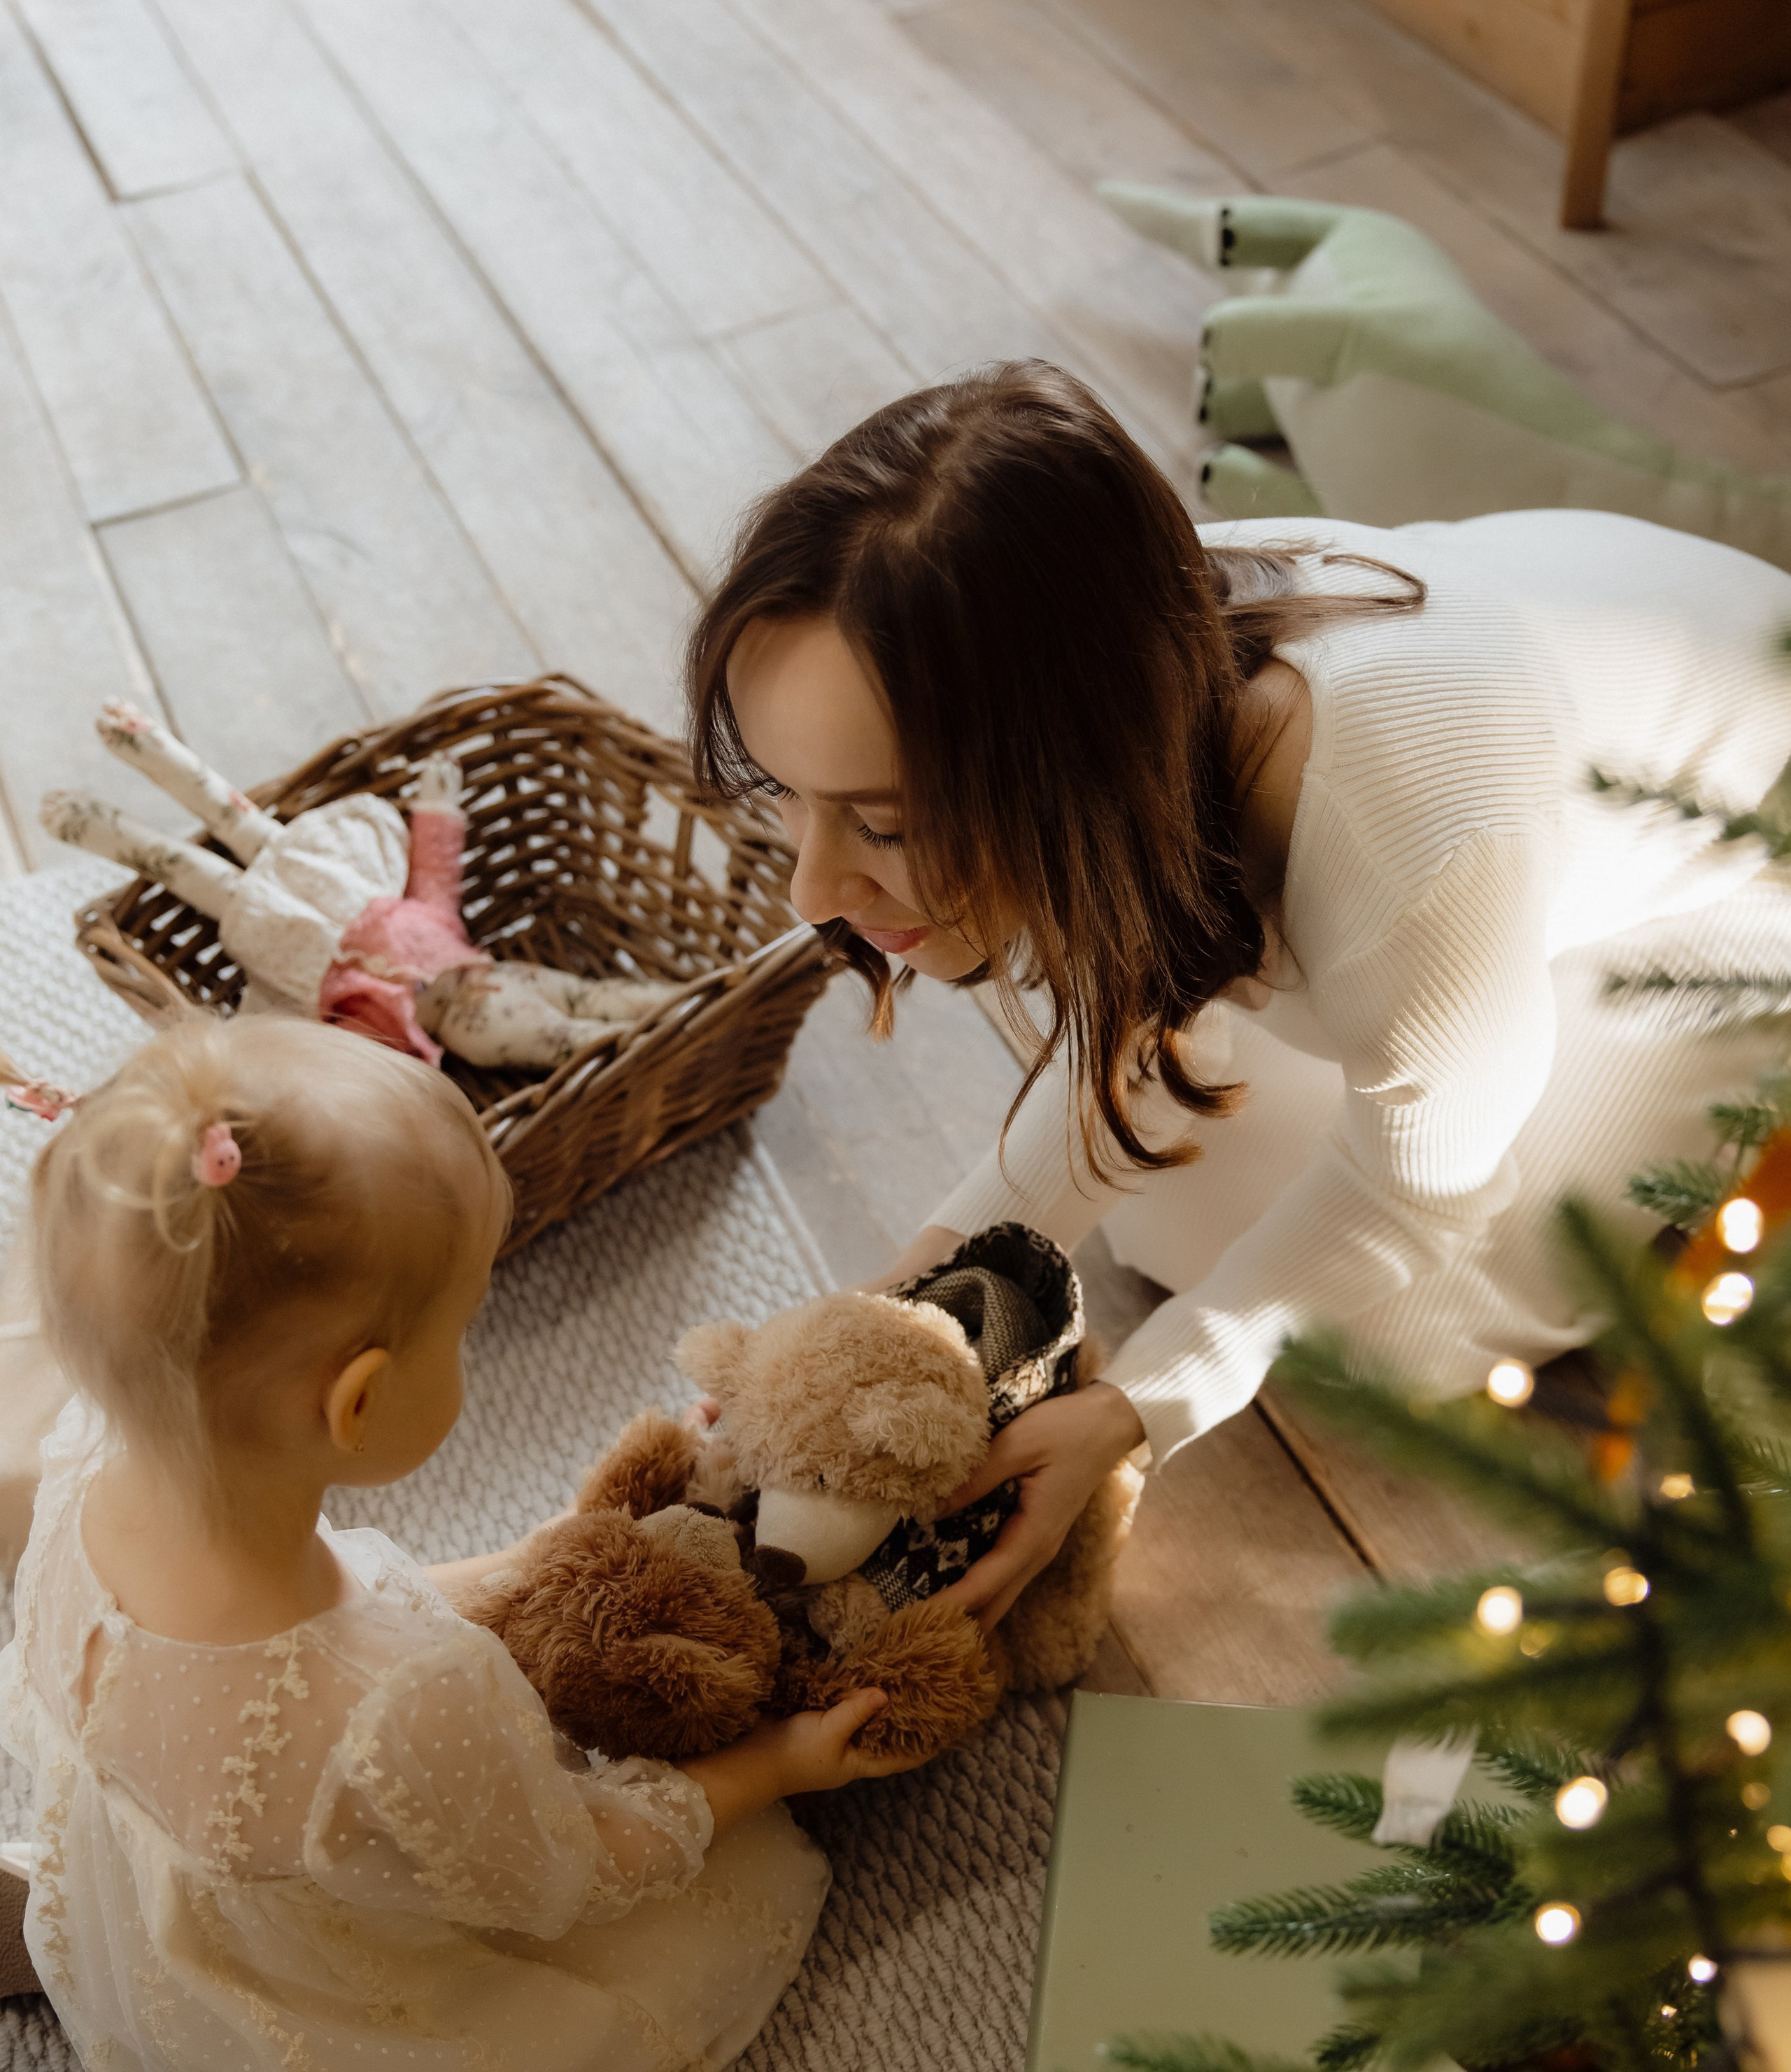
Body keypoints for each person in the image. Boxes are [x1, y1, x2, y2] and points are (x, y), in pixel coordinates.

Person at [689, 359, 1791, 1631]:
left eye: (879, 825)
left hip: (1735, 886)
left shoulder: (1413, 843)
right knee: (1169, 1229)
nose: (810, 889)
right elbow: (1132, 1038)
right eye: (791, 796)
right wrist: (903, 1305)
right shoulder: (1080, 630)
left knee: (1408, 1337)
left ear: (1064, 783)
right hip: (1585, 660)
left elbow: (1418, 1183)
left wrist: (1136, 1412)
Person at [0, 1017, 901, 2072]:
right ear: (359, 1400)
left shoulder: (74, 1474)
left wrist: (535, 1559)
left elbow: (369, 1603)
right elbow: (569, 1870)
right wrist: (772, 1769)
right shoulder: (404, 1702)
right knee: (733, 1893)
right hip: (320, 2033)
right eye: (464, 1325)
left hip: (156, 1939)